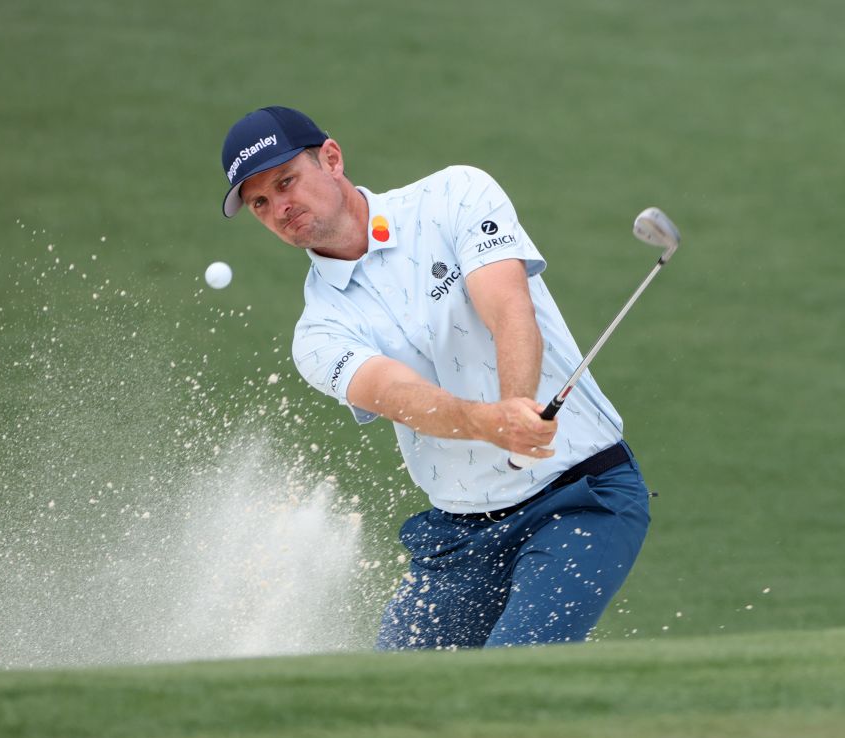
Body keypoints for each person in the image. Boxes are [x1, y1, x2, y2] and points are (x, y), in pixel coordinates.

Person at [219, 106, 651, 650]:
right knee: (398, 705)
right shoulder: (317, 332)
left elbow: (508, 307)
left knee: (511, 680)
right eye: (260, 202)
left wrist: (516, 406)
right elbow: (399, 396)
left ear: (331, 159)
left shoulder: (454, 196)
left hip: (583, 495)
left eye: (287, 182)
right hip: (461, 537)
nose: (280, 207)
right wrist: (492, 424)